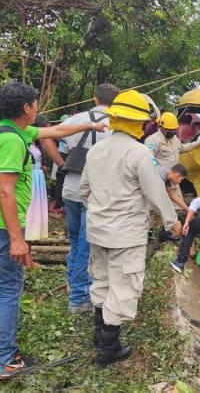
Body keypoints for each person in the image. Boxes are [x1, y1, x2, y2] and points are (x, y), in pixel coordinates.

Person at [0, 82, 106, 381]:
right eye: (36, 104)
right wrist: (17, 239)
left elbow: (56, 132)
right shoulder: (12, 142)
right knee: (8, 292)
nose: (39, 108)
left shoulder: (7, 129)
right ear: (26, 108)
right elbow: (5, 191)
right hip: (0, 229)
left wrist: (92, 125)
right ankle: (4, 360)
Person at [80, 90, 181, 369]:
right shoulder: (139, 154)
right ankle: (108, 348)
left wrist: (102, 212)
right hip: (126, 234)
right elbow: (156, 194)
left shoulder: (96, 150)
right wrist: (173, 221)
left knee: (101, 281)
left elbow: (84, 191)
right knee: (123, 287)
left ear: (114, 118)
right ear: (139, 123)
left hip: (97, 230)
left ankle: (99, 336)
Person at [61, 83, 120, 314]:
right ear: (115, 102)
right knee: (86, 246)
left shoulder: (76, 119)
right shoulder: (116, 123)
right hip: (94, 192)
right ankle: (78, 299)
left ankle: (72, 284)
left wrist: (60, 162)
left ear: (95, 99)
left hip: (70, 188)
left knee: (76, 241)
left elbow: (49, 135)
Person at [145, 111, 200, 209]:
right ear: (162, 127)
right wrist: (162, 175)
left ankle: (177, 220)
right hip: (161, 181)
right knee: (162, 207)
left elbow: (182, 148)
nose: (172, 132)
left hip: (174, 179)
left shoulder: (174, 138)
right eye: (170, 130)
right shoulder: (153, 140)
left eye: (174, 130)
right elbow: (149, 159)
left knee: (178, 204)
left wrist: (196, 143)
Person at [24, 115, 67, 241]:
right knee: (29, 210)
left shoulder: (37, 142)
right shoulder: (25, 139)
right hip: (29, 178)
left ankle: (30, 243)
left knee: (35, 211)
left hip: (38, 178)